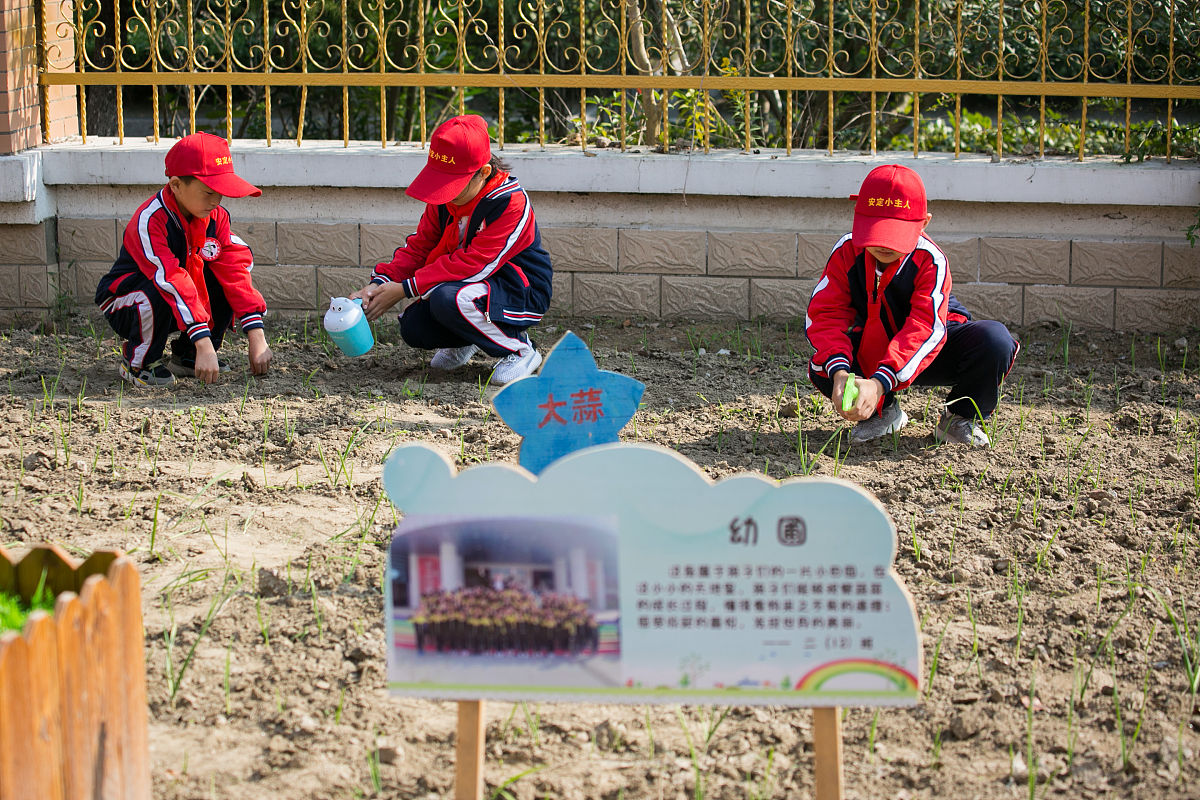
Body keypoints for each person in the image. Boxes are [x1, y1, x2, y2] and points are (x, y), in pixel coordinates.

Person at [805, 164, 1020, 447]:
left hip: (933, 350)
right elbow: (826, 315)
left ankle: (958, 419)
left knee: (995, 341)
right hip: (873, 349)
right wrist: (841, 373)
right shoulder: (847, 251)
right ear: (858, 216)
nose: (884, 245)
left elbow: (923, 329)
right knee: (824, 365)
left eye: (895, 234)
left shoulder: (930, 260)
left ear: (924, 223)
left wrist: (879, 383)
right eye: (875, 230)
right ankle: (883, 413)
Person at [352, 114, 552, 386]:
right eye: (441, 181)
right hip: (469, 288)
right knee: (414, 327)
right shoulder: (444, 200)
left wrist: (406, 288)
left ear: (484, 172)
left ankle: (520, 350)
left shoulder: (510, 202)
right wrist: (379, 283)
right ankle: (469, 339)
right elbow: (420, 247)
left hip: (519, 292)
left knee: (448, 299)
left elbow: (475, 264)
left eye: (453, 185)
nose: (445, 192)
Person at [95, 132, 272, 387]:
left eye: (220, 192)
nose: (216, 201)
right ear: (176, 185)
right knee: (160, 286)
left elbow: (234, 270)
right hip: (128, 302)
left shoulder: (216, 217)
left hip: (175, 302)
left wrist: (256, 334)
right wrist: (204, 342)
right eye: (208, 192)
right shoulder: (151, 220)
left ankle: (188, 355)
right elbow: (171, 279)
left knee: (220, 276)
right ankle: (138, 362)